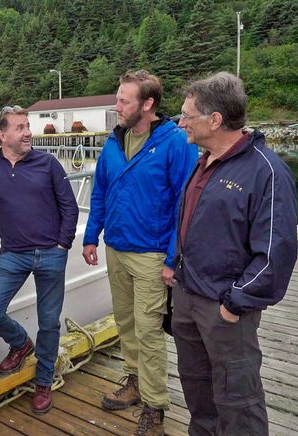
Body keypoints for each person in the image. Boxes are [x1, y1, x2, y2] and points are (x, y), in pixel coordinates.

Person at [173, 72, 297, 435]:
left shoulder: (266, 171)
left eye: (186, 115)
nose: (180, 123)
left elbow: (276, 253)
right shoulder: (205, 161)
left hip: (224, 310)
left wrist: (236, 303)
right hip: (188, 299)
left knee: (238, 400)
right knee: (198, 392)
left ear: (215, 120)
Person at [82, 70, 198, 435]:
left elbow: (186, 203)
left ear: (147, 105)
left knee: (149, 331)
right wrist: (90, 236)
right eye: (117, 98)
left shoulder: (175, 143)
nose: (116, 106)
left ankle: (155, 407)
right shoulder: (112, 143)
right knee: (126, 323)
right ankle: (133, 382)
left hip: (151, 255)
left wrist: (171, 258)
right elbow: (100, 192)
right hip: (115, 247)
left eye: (124, 101)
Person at [0, 105, 79, 415]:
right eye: (21, 127)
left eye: (28, 126)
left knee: (49, 323)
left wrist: (63, 245)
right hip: (13, 254)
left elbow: (70, 207)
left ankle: (44, 382)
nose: (28, 132)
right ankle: (21, 344)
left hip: (51, 253)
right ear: (3, 135)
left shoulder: (47, 163)